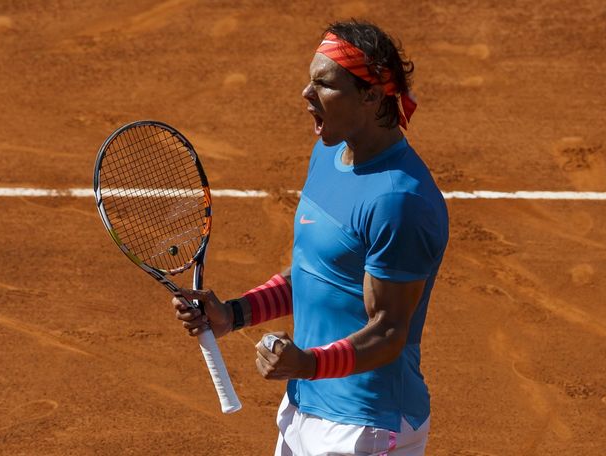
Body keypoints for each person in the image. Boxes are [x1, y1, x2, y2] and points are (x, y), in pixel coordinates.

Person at [173, 20, 448, 456]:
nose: (306, 93)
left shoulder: (399, 200)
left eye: (324, 83)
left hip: (364, 425)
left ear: (372, 95)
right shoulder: (328, 154)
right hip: (305, 405)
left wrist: (309, 363)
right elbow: (313, 275)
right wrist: (233, 314)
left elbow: (389, 331)